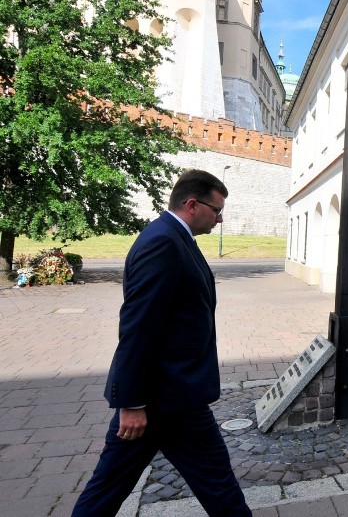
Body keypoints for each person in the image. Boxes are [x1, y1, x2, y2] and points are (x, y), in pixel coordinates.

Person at [72, 169, 251, 516]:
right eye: (216, 210)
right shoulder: (162, 242)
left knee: (109, 486)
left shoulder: (176, 238)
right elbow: (138, 325)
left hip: (169, 395)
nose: (220, 218)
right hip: (166, 398)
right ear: (192, 204)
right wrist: (132, 402)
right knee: (216, 482)